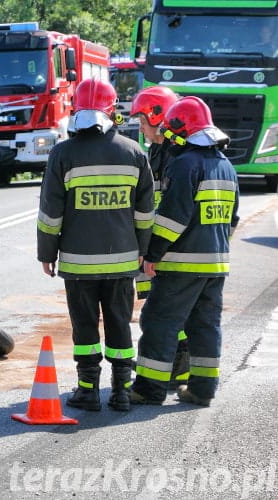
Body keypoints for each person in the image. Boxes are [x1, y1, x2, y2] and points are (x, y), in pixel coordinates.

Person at [37, 79, 155, 412]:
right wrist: (143, 248)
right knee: (120, 323)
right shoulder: (134, 153)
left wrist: (47, 254)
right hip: (122, 263)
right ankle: (120, 392)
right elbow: (145, 213)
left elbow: (50, 213)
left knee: (85, 327)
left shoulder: (63, 153)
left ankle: (88, 391)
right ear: (113, 110)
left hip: (77, 264)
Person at [130, 96, 239, 407]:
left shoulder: (184, 164)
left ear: (182, 131)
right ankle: (203, 389)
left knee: (159, 321)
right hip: (216, 265)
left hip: (181, 265)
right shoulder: (226, 166)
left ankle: (149, 389)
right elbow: (231, 219)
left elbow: (171, 219)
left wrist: (151, 255)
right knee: (205, 326)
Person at [130, 85, 190, 390]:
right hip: (158, 245)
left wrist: (154, 251)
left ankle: (177, 367)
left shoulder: (174, 153)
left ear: (158, 116)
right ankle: (172, 366)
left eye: (142, 121)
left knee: (166, 314)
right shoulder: (158, 150)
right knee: (158, 308)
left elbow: (171, 206)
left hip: (168, 249)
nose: (140, 128)